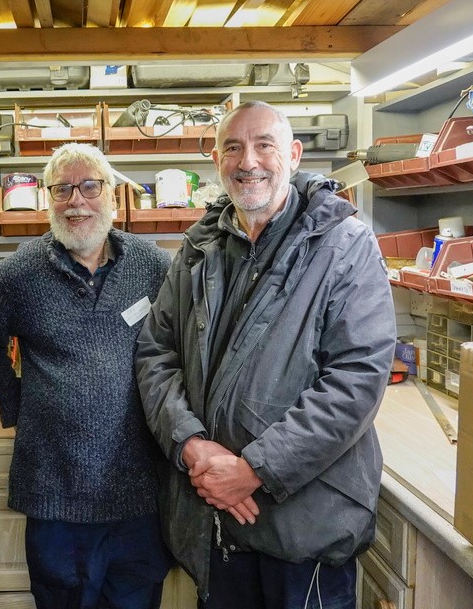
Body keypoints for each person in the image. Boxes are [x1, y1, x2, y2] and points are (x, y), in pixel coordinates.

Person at [135, 101, 396, 608]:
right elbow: (156, 352)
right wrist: (190, 445)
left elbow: (357, 378)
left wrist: (254, 469)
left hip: (304, 525)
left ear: (294, 155)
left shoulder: (344, 245)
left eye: (264, 145)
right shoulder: (198, 249)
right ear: (217, 160)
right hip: (215, 516)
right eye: (233, 147)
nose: (247, 161)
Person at [0, 143, 174, 609]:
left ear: (112, 197)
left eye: (89, 186)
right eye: (62, 189)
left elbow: (183, 347)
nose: (76, 200)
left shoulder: (154, 265)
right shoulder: (19, 271)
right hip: (55, 492)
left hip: (138, 493)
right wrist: (14, 400)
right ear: (48, 198)